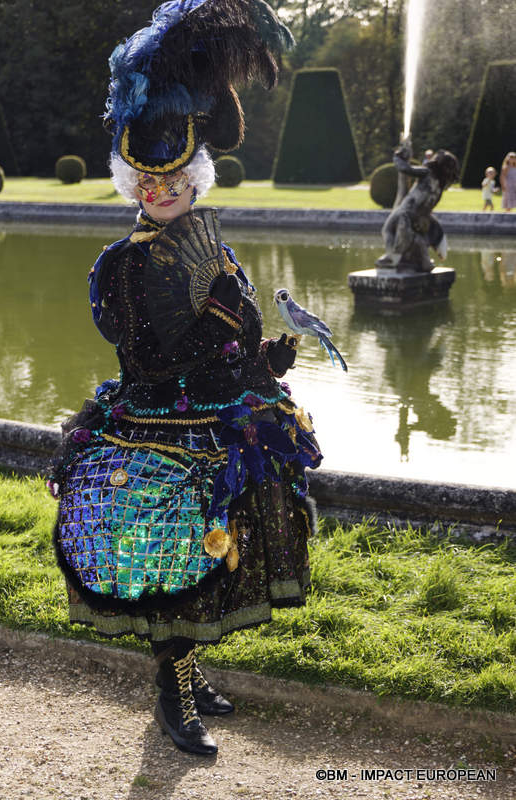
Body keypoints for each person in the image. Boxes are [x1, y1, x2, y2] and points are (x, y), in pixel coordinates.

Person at [48, 0, 321, 758]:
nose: (160, 194)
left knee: (217, 552)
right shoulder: (128, 266)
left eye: (172, 183)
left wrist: (259, 359)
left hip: (220, 413)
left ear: (197, 178)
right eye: (147, 183)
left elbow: (228, 343)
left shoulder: (213, 246)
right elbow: (147, 359)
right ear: (131, 183)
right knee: (173, 556)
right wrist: (216, 334)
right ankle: (172, 695)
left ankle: (192, 673)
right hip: (157, 424)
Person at [376, 143, 460, 272]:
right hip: (420, 215)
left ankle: (392, 257)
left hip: (407, 210)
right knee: (413, 236)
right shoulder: (439, 186)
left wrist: (397, 157)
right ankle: (423, 261)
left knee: (387, 230)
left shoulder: (427, 172)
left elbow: (406, 169)